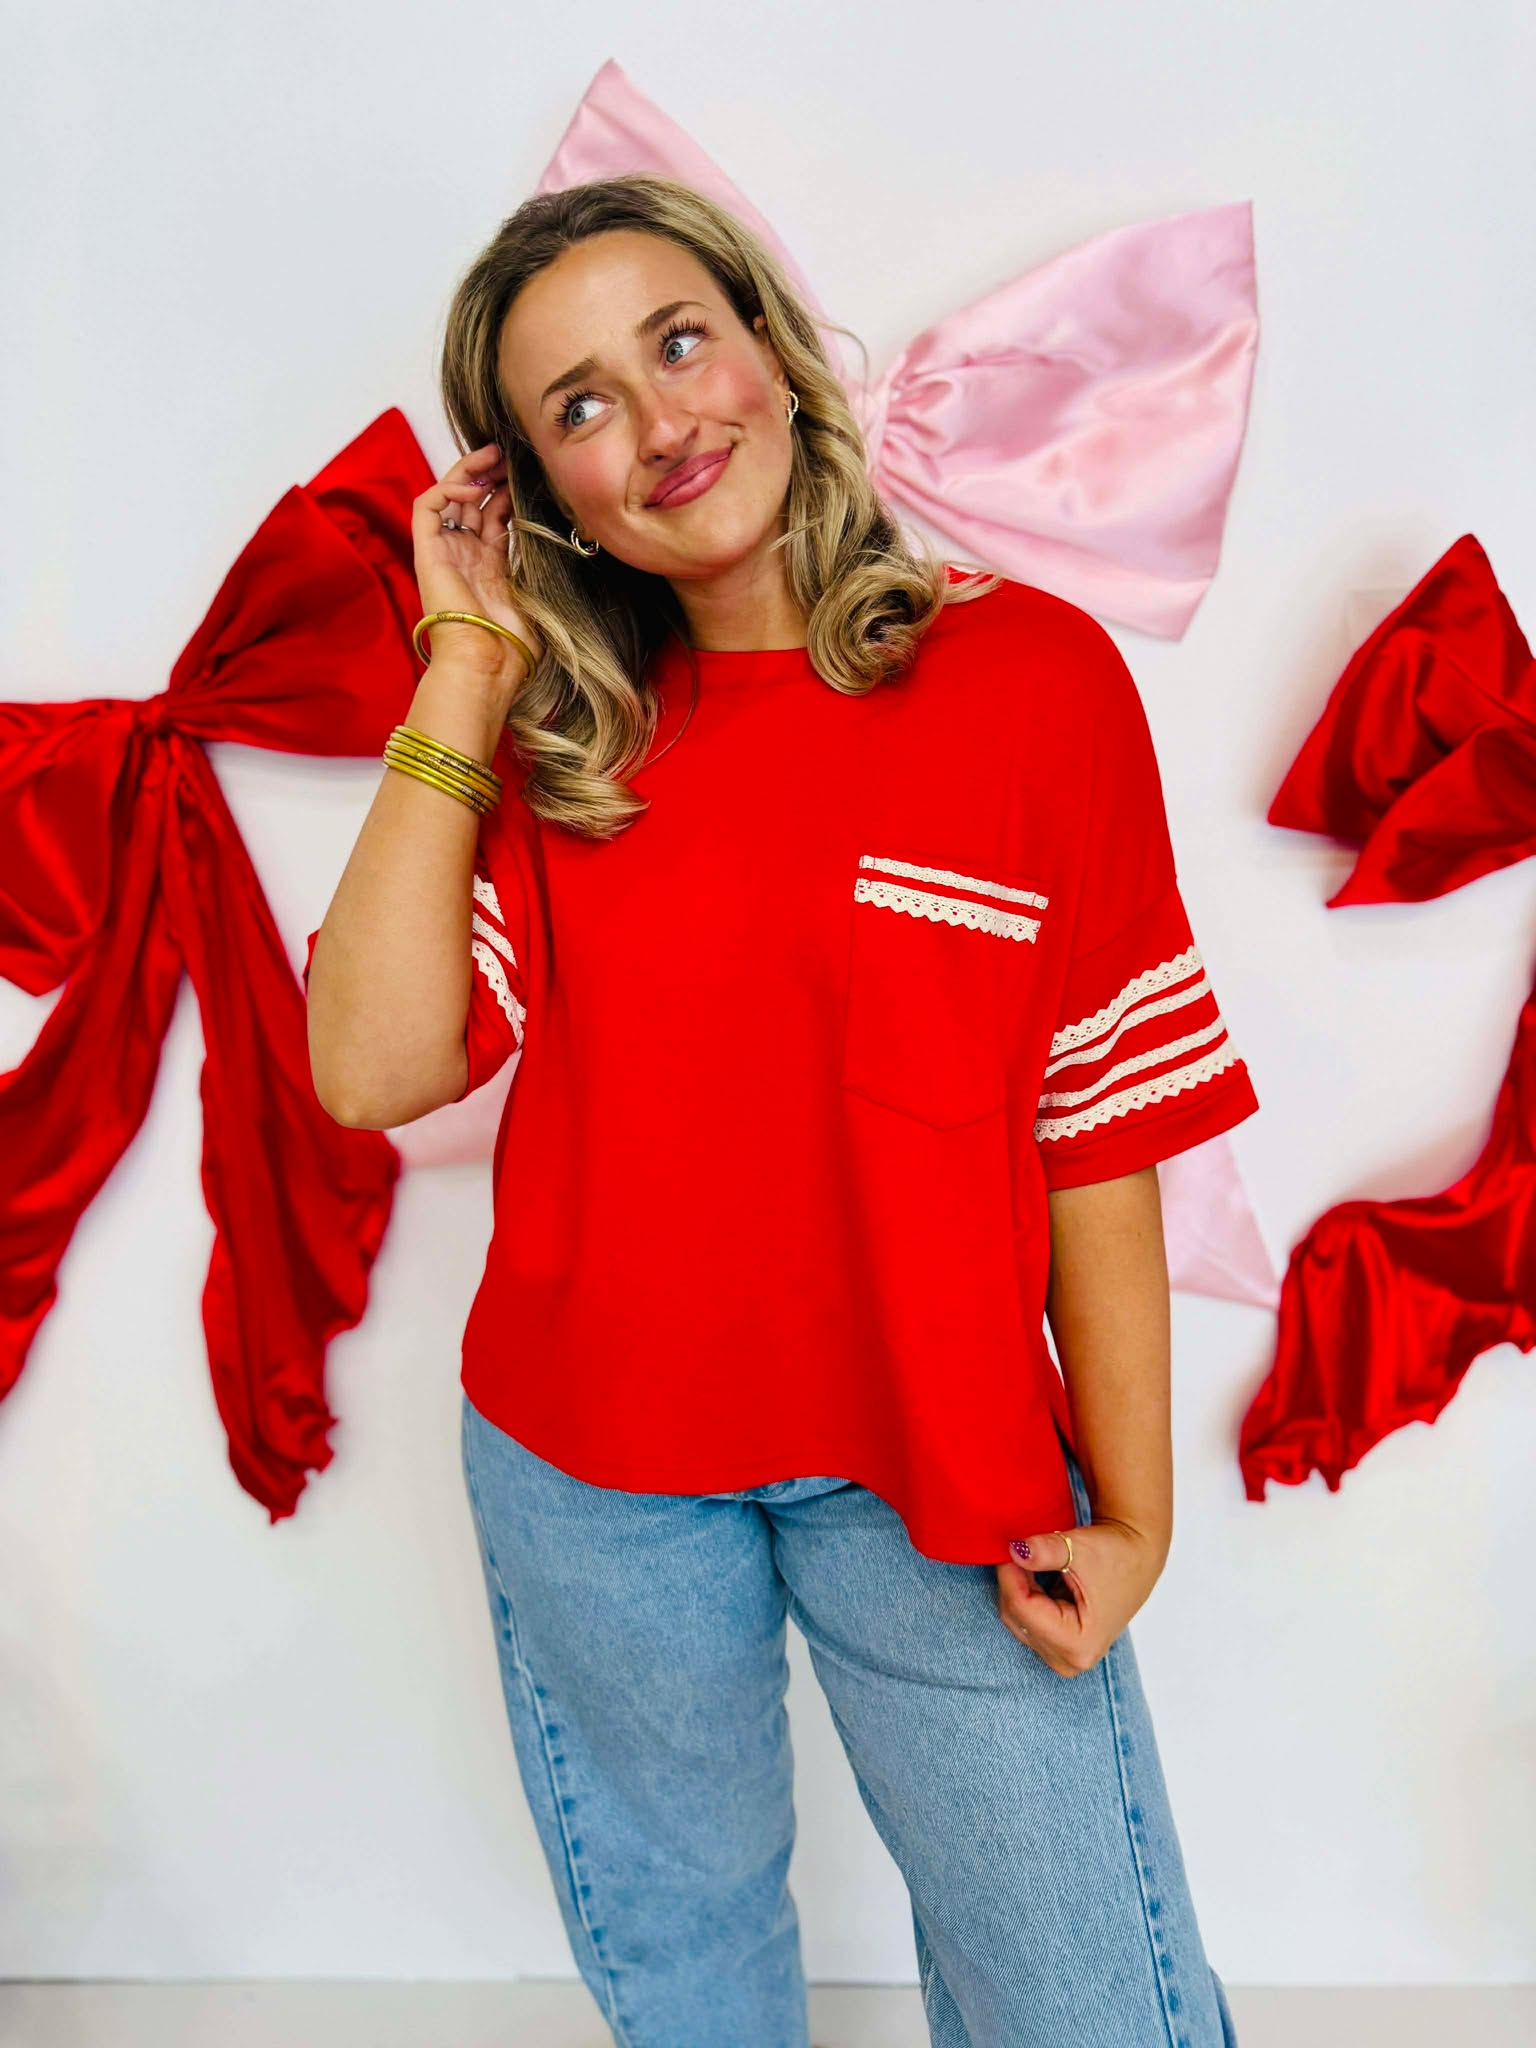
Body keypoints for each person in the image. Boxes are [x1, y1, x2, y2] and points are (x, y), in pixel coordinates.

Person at [305, 174, 1255, 2048]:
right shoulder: (567, 743)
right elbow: (369, 1067)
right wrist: (468, 663)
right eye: (579, 405)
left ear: (774, 348)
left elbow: (1098, 1128)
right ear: (537, 488)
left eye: (679, 342)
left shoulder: (1032, 683)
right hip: (593, 1476)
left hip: (935, 1470)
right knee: (695, 1977)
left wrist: (1133, 1511)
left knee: (1094, 2006)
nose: (661, 424)